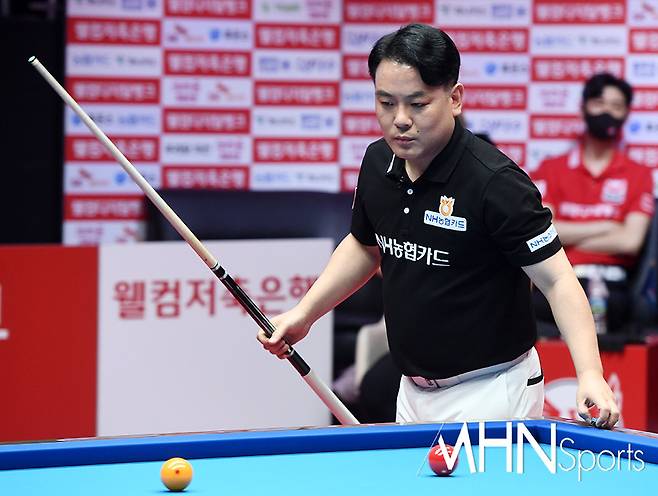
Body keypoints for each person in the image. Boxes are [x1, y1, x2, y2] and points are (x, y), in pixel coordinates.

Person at [258, 24, 620, 428]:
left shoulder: (496, 182)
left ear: (455, 98)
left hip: (492, 390)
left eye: (418, 104)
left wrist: (590, 373)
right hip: (412, 392)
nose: (400, 120)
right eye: (386, 102)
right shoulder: (377, 162)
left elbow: (558, 280)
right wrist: (305, 314)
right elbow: (364, 246)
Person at [531, 73, 654, 336]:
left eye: (616, 106)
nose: (607, 112)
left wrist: (567, 237)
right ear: (584, 107)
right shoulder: (551, 169)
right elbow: (543, 232)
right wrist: (608, 226)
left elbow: (630, 241)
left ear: (626, 114)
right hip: (556, 279)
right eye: (599, 103)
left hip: (611, 286)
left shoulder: (639, 174)